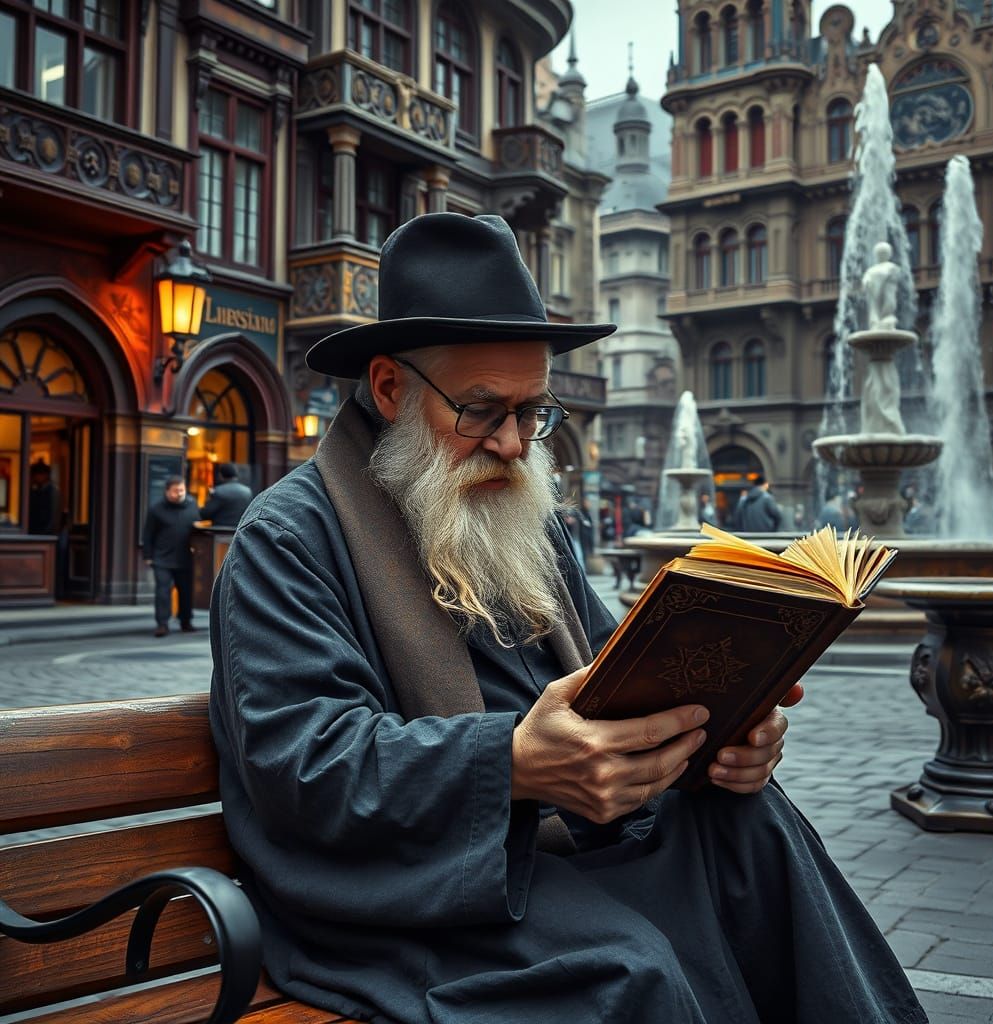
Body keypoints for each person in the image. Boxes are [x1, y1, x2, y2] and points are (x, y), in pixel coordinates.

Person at [207, 213, 926, 1024]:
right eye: (482, 410)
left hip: (564, 837)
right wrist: (513, 763)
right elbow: (304, 762)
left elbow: (622, 665)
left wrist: (724, 728)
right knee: (628, 970)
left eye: (532, 413)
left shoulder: (525, 514)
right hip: (406, 884)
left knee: (759, 833)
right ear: (388, 388)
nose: (514, 446)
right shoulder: (289, 537)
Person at [142, 476, 198, 637]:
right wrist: (148, 555)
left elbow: (199, 527)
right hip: (162, 558)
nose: (179, 494)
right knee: (162, 592)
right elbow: (148, 534)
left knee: (186, 591)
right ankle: (162, 624)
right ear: (167, 491)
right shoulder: (156, 509)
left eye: (182, 490)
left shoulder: (192, 505)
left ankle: (186, 621)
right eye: (175, 491)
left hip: (185, 557)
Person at [199, 462, 253, 527]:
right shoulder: (247, 491)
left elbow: (205, 514)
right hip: (240, 530)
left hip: (219, 530)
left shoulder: (218, 491)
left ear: (221, 475)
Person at [28, 460, 61, 535]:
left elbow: (53, 516)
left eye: (36, 475)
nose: (35, 478)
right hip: (37, 531)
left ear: (44, 475)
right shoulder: (36, 490)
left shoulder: (52, 491)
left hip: (45, 532)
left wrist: (46, 532)